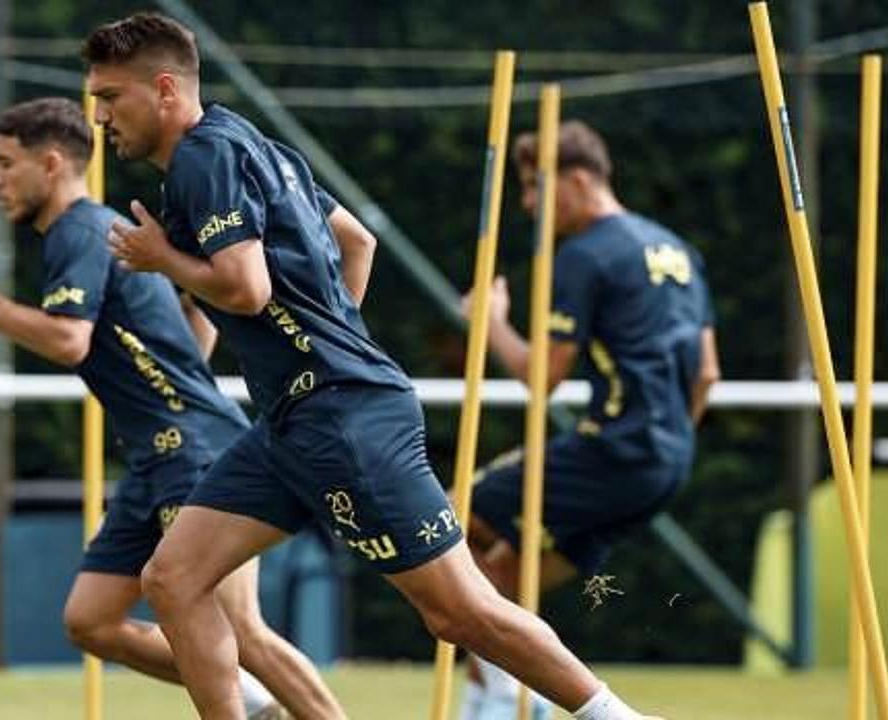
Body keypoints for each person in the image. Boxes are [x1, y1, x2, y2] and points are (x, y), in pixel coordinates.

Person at [83, 13, 664, 720]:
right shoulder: (253, 144)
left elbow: (246, 288)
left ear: (166, 89)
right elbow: (357, 241)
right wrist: (327, 344)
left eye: (110, 97)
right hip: (298, 416)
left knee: (459, 611)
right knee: (173, 578)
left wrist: (162, 259)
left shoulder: (203, 161)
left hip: (340, 416)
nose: (100, 117)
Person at [0, 96, 346, 720]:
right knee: (91, 619)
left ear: (52, 164)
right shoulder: (98, 232)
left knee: (242, 629)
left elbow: (69, 340)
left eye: (6, 164)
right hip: (157, 456)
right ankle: (256, 704)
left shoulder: (78, 231)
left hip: (195, 450)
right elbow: (189, 329)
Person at [458, 121, 721, 720]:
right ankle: (498, 698)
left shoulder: (584, 255)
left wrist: (490, 322)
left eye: (536, 186)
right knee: (504, 574)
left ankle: (511, 699)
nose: (529, 204)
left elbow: (542, 377)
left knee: (447, 522)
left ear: (577, 180)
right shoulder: (677, 250)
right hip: (668, 460)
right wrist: (666, 441)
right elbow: (707, 373)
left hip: (615, 448)